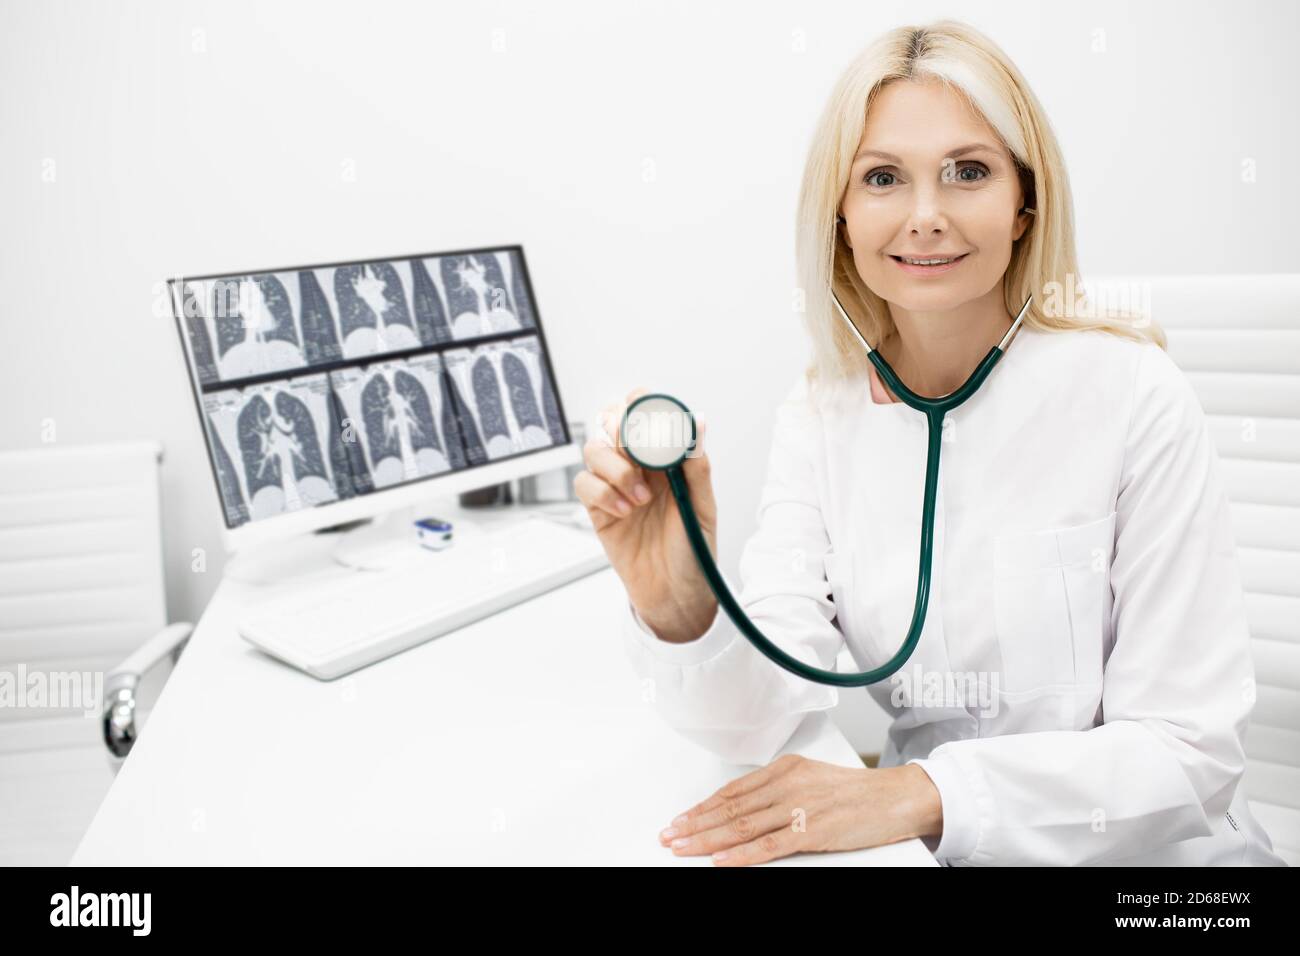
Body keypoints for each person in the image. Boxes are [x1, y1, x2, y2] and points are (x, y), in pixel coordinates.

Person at [573, 19, 1287, 867]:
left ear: (1026, 203)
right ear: (839, 216)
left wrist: (919, 792)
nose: (925, 217)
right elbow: (756, 714)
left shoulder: (1132, 393)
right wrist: (679, 602)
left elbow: (1189, 754)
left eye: (969, 172)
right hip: (924, 853)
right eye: (882, 177)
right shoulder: (823, 412)